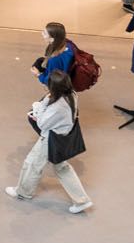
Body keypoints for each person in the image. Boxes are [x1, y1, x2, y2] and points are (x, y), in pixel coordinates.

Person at [8, 70, 93, 213]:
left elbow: (42, 124)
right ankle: (81, 200)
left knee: (32, 163)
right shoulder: (72, 95)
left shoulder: (58, 106)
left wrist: (41, 104)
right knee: (61, 168)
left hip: (51, 139)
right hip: (62, 137)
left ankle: (23, 192)